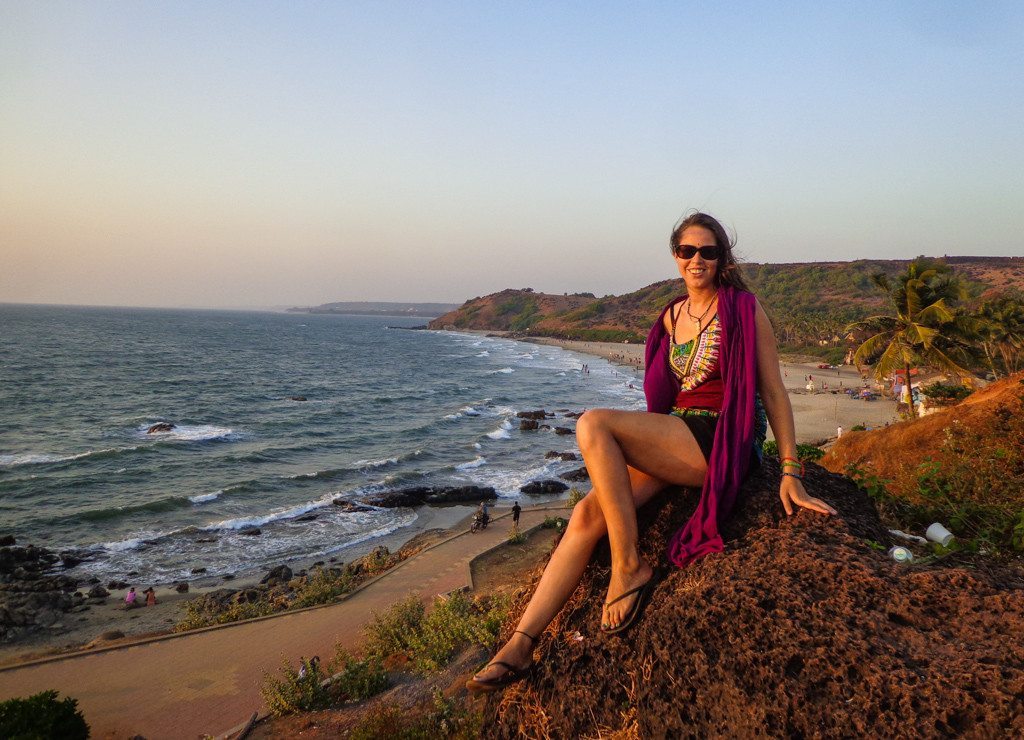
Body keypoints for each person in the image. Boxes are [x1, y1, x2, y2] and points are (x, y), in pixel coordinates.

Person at [467, 212, 837, 694]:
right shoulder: (670, 314)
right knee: (585, 514)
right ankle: (518, 645)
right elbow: (666, 397)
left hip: (723, 440)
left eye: (708, 251)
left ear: (722, 258)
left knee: (593, 423)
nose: (697, 259)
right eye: (687, 251)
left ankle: (628, 565)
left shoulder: (744, 308)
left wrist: (791, 470)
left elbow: (773, 391)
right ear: (675, 257)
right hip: (676, 436)